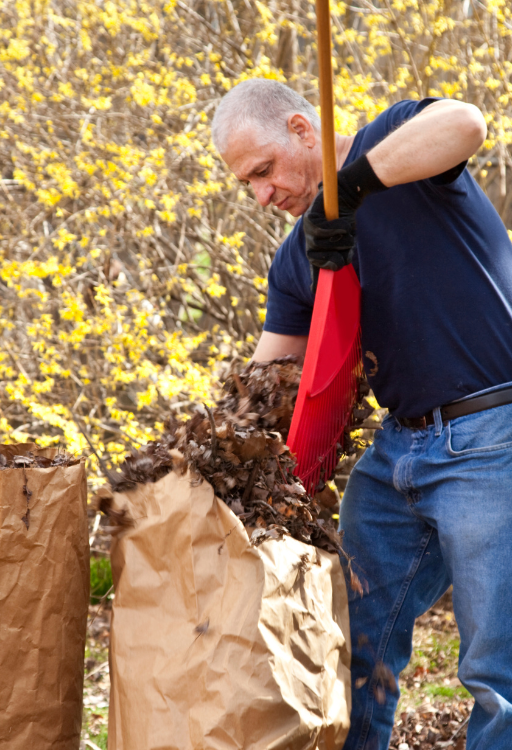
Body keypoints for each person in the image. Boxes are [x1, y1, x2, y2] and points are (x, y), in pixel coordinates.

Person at [212, 78, 512, 750]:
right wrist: (204, 461)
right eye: (247, 186)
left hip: (494, 434)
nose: (262, 195)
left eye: (263, 171)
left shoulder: (396, 146)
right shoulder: (302, 256)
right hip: (396, 458)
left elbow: (466, 122)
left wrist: (352, 186)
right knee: (350, 650)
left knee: (499, 672)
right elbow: (266, 380)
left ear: (301, 128)